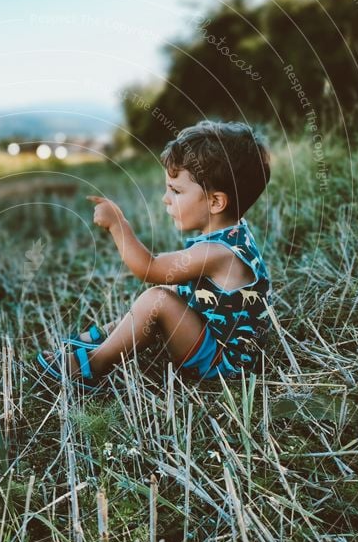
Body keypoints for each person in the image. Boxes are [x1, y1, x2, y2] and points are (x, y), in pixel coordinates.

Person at [36, 120, 273, 389]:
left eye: (176, 190)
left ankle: (93, 364)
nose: (165, 198)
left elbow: (148, 268)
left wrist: (118, 224)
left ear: (216, 201)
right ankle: (109, 335)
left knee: (157, 299)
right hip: (213, 339)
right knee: (171, 289)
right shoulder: (233, 234)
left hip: (225, 365)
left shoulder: (216, 252)